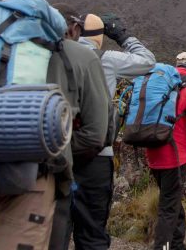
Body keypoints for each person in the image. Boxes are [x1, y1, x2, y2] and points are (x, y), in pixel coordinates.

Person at [16, 4, 107, 250]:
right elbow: (96, 134)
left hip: (6, 168)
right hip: (54, 172)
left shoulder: (14, 51)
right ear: (74, 28)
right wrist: (60, 146)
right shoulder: (84, 57)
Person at [61, 13, 155, 249]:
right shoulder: (107, 59)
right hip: (95, 156)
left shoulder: (54, 55)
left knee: (55, 229)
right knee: (92, 233)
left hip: (56, 154)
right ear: (101, 37)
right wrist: (123, 36)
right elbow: (148, 60)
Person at [143, 52, 186, 250]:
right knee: (168, 208)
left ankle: (177, 244)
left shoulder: (158, 86)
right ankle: (163, 247)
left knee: (171, 200)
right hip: (175, 157)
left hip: (152, 153)